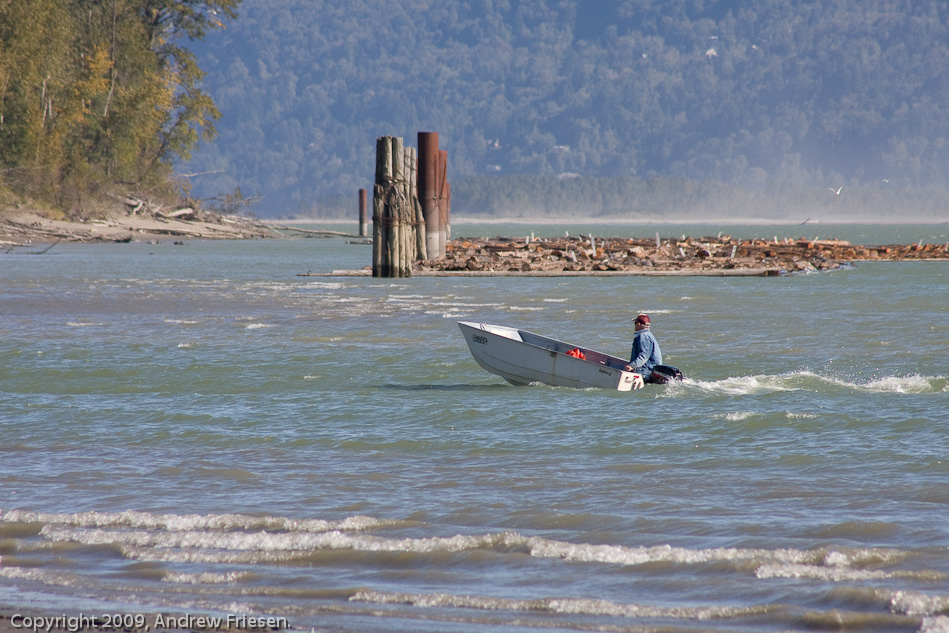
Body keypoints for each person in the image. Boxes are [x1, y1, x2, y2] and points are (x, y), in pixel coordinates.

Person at [625, 314, 663, 382]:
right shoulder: (648, 335)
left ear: (639, 324)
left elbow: (643, 356)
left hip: (646, 372)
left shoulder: (643, 336)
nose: (635, 325)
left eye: (635, 323)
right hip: (649, 371)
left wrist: (631, 366)